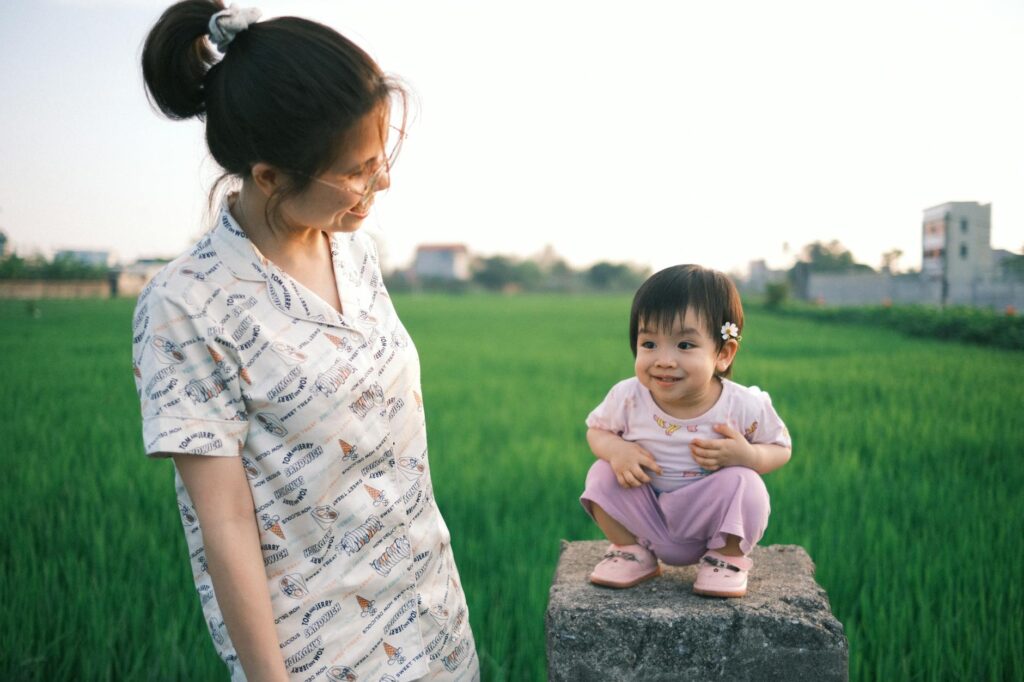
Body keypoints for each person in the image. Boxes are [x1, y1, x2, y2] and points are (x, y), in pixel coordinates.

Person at [132, 2, 478, 679]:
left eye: (380, 159)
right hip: (316, 655)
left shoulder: (355, 254)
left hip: (433, 625)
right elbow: (223, 523)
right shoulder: (186, 305)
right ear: (269, 177)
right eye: (355, 171)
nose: (381, 183)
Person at [580, 265, 792, 597]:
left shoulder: (742, 405)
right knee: (601, 473)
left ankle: (727, 558)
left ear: (723, 354)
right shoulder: (627, 396)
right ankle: (631, 551)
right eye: (649, 343)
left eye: (684, 345)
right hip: (646, 509)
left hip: (707, 515)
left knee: (746, 483)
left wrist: (749, 455)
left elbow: (780, 447)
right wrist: (616, 450)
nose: (663, 360)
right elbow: (596, 431)